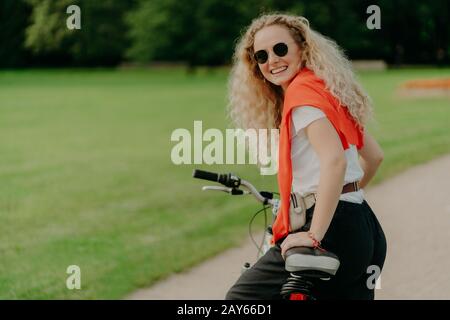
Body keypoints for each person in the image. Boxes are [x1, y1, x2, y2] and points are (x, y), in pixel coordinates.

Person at [225, 13, 387, 300]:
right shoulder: (328, 92)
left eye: (280, 49)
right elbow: (374, 157)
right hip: (363, 227)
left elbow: (334, 161)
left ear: (302, 48)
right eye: (261, 56)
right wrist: (343, 197)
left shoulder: (302, 98)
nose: (272, 60)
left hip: (329, 228)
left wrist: (315, 233)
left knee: (241, 298)